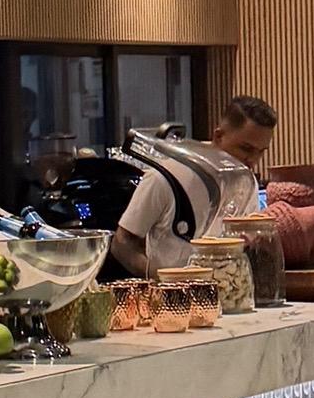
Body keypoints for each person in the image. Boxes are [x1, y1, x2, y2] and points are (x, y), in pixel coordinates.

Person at [109, 95, 275, 274]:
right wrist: (165, 279)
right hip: (171, 287)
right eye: (246, 148)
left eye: (261, 152)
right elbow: (122, 244)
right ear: (218, 136)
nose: (253, 160)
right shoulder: (165, 176)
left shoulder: (246, 181)